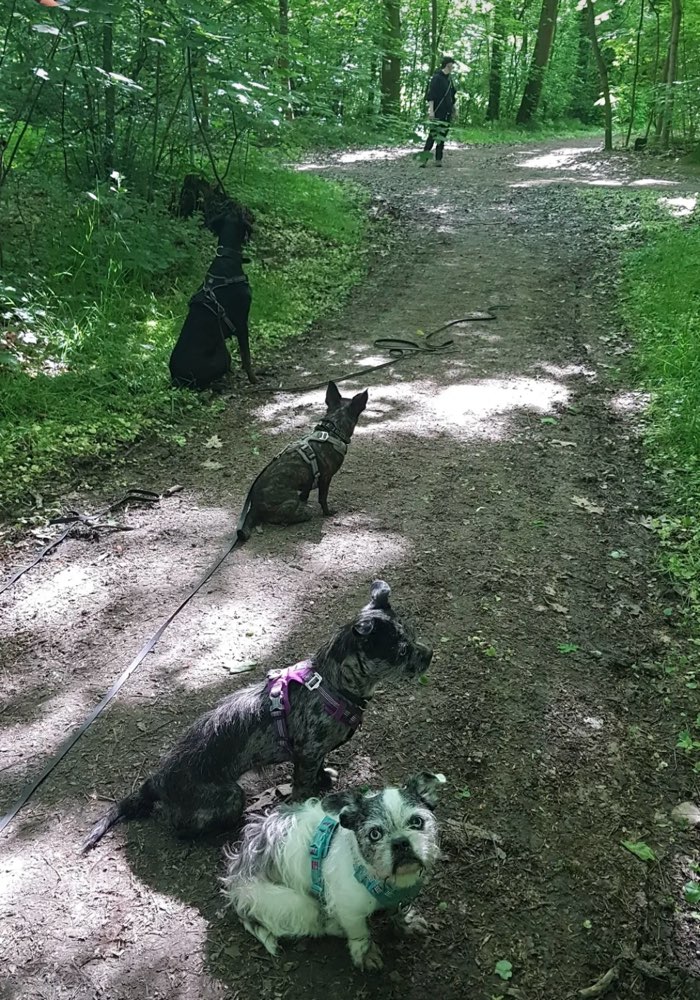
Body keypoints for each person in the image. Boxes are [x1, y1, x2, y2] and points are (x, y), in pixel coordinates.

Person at [421, 57, 457, 167]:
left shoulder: (449, 80)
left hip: (447, 112)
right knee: (432, 135)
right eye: (452, 65)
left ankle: (438, 159)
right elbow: (431, 95)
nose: (453, 67)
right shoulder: (436, 78)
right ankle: (424, 159)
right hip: (437, 111)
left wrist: (454, 110)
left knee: (442, 136)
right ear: (447, 65)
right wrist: (431, 111)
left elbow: (452, 96)